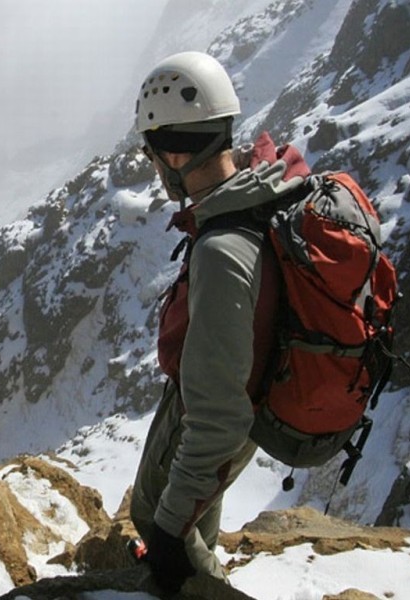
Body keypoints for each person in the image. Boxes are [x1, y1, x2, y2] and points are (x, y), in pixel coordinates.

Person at [129, 51, 311, 592]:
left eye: (152, 154)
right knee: (194, 521)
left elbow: (216, 420)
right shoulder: (262, 191)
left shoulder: (222, 248)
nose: (154, 169)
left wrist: (166, 527)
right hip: (252, 390)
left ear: (174, 151)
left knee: (161, 521)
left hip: (213, 407)